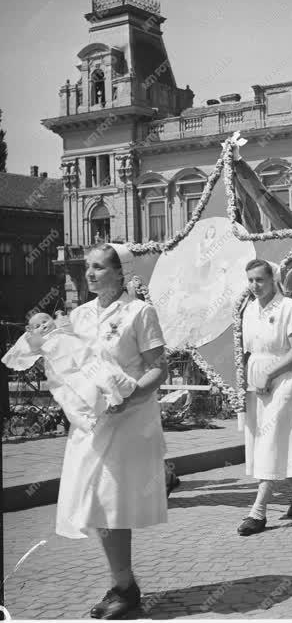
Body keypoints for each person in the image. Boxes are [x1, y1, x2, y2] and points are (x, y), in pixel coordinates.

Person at [57, 243, 169, 618]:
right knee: (94, 503)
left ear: (120, 272)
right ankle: (123, 582)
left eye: (99, 267)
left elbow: (158, 368)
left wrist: (132, 394)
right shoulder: (81, 315)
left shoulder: (140, 311)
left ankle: (124, 588)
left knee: (110, 504)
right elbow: (69, 364)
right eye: (87, 267)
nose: (89, 274)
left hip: (128, 421)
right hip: (90, 422)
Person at [237, 259, 292, 536]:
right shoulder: (249, 310)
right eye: (250, 280)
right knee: (265, 442)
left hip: (284, 379)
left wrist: (269, 374)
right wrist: (245, 380)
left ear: (273, 280)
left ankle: (258, 512)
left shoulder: (290, 306)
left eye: (260, 280)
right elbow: (247, 351)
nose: (254, 286)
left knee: (271, 440)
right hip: (258, 380)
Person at [2, 312, 137, 432]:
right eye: (37, 326)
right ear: (31, 330)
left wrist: (61, 317)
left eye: (45, 321)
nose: (43, 326)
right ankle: (88, 420)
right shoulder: (40, 341)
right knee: (73, 397)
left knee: (105, 376)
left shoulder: (62, 330)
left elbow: (75, 329)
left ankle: (122, 390)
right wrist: (31, 335)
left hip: (84, 360)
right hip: (65, 371)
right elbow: (27, 348)